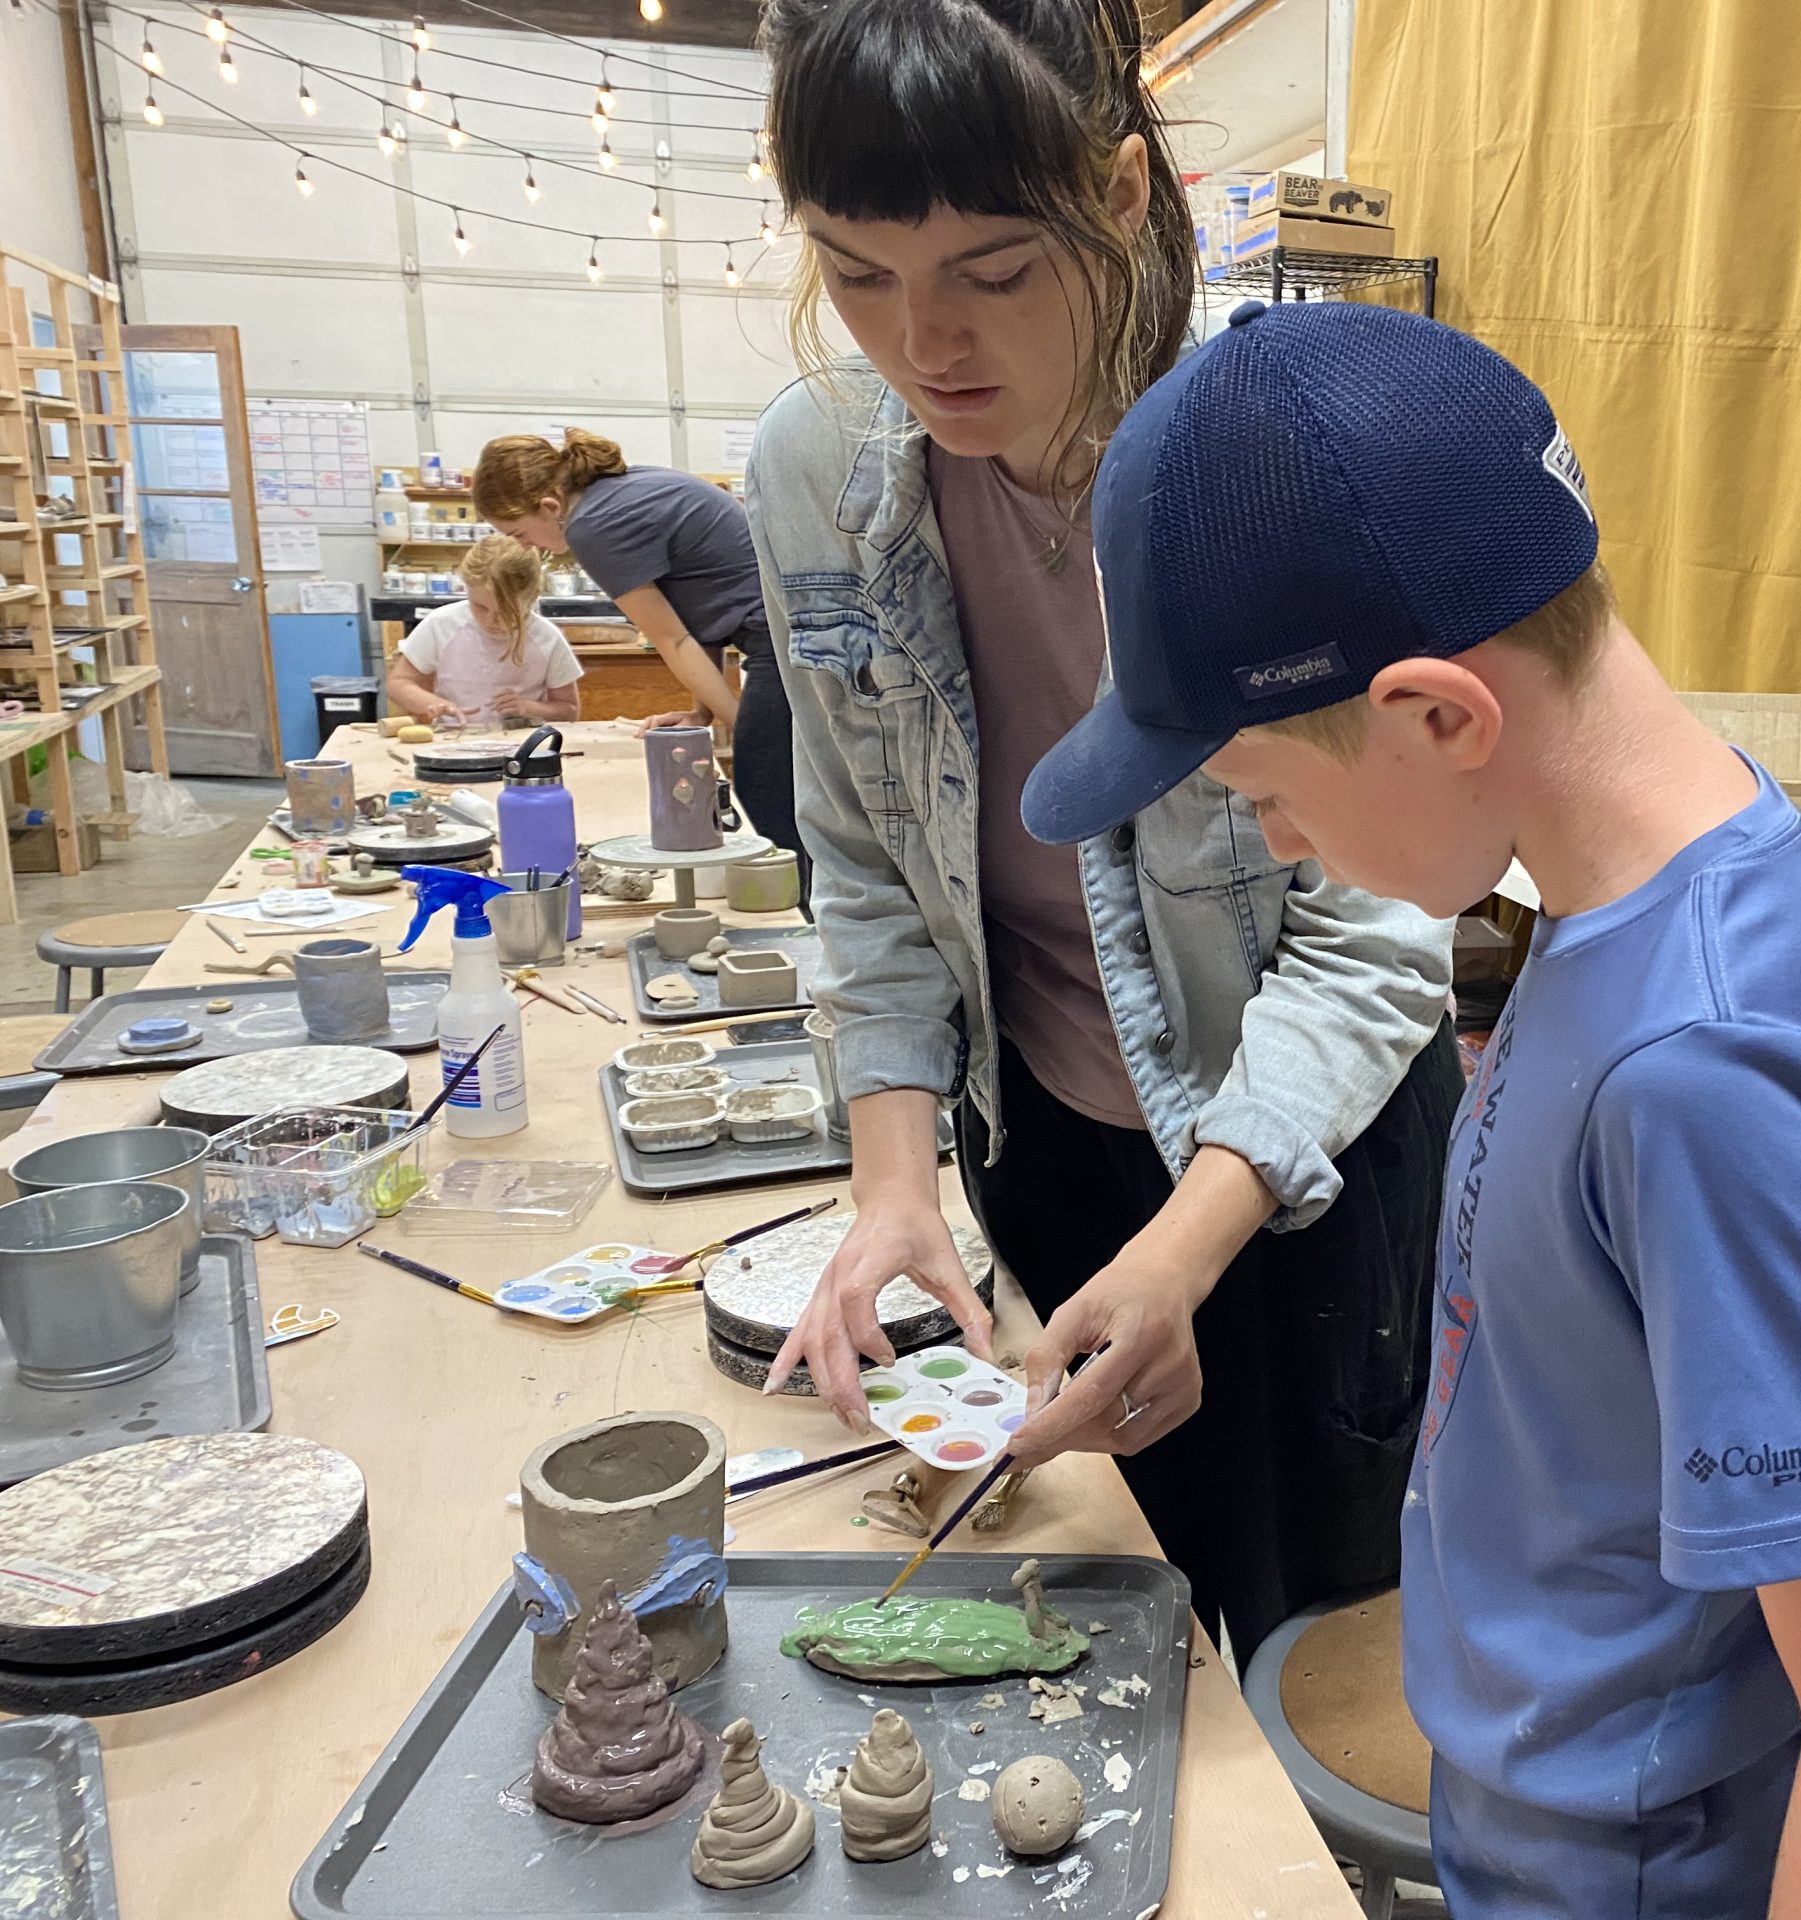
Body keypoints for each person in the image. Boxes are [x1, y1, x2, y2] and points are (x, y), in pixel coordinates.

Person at [1021, 301, 1801, 1918]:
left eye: (1264, 795)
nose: (1278, 847)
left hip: (1624, 1865)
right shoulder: (1630, 889)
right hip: (1549, 1787)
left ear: (1439, 717)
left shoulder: (1707, 1070)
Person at [746, 0, 1461, 1665]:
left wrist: (1190, 1245)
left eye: (994, 271)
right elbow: (865, 864)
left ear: (1122, 193)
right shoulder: (818, 469)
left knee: (1310, 1636)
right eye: (856, 273)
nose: (924, 343)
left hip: (1302, 1161)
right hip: (1048, 1149)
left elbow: (1380, 927)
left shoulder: (1275, 455)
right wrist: (893, 1187)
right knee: (1094, 1610)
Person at [470, 430, 805, 878]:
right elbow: (695, 614)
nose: (526, 546)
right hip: (779, 629)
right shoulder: (615, 492)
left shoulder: (592, 525)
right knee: (771, 778)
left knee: (764, 787)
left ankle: (798, 907)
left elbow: (673, 640)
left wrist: (740, 728)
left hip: (781, 636)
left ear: (549, 506)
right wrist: (701, 713)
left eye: (519, 533)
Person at [386, 534, 582, 727]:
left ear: (532, 597)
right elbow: (398, 683)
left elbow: (570, 710)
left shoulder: (547, 638)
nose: (491, 620)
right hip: (456, 737)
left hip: (523, 740)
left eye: (505, 611)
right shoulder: (442, 624)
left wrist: (529, 708)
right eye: (480, 607)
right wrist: (434, 703)